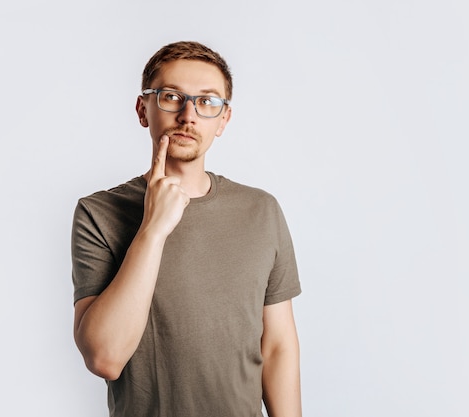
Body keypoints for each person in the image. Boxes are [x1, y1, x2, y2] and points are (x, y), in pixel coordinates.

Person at [71, 41, 302, 417]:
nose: (188, 115)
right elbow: (105, 358)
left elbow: (277, 345)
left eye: (207, 102)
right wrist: (153, 229)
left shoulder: (261, 211)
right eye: (171, 97)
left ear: (223, 120)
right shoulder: (99, 213)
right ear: (143, 109)